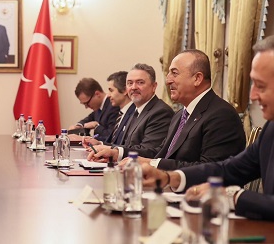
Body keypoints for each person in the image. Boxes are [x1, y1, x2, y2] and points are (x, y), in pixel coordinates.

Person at [143, 37, 274, 220]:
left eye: (260, 86)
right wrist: (170, 178)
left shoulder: (221, 114)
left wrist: (232, 196)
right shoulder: (271, 129)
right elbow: (229, 169)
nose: (252, 95)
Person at [90, 51, 246, 169]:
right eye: (169, 73)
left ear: (197, 78)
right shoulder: (181, 114)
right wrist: (117, 153)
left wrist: (153, 165)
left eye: (174, 73)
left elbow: (209, 169)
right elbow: (160, 151)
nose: (168, 79)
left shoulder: (221, 115)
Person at [86, 64, 174, 160]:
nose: (134, 87)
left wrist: (115, 153)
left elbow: (149, 152)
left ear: (154, 86)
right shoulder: (137, 110)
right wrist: (102, 146)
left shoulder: (160, 112)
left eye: (140, 82)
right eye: (130, 83)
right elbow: (126, 145)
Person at [104, 71, 136, 145]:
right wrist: (99, 144)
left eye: (111, 90)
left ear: (125, 91)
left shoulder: (134, 113)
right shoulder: (121, 113)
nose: (108, 95)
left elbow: (124, 146)